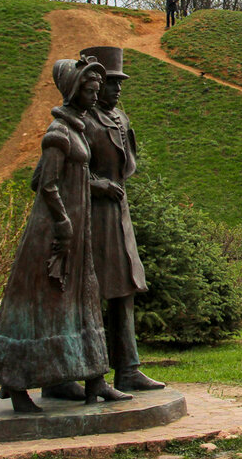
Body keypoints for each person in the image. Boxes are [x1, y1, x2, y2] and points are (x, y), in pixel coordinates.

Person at [0, 57, 131, 412]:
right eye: (91, 90)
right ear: (74, 91)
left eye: (98, 90)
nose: (96, 97)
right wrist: (64, 222)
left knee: (83, 302)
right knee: (42, 307)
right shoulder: (58, 133)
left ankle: (97, 381)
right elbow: (44, 185)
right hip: (54, 232)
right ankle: (17, 387)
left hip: (77, 228)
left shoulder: (76, 128)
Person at [81, 45, 164, 393]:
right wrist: (95, 185)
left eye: (119, 84)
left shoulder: (121, 118)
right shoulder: (80, 120)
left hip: (118, 214)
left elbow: (128, 162)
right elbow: (59, 175)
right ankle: (86, 373)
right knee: (89, 294)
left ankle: (128, 368)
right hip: (89, 216)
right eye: (110, 83)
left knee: (124, 288)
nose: (116, 90)